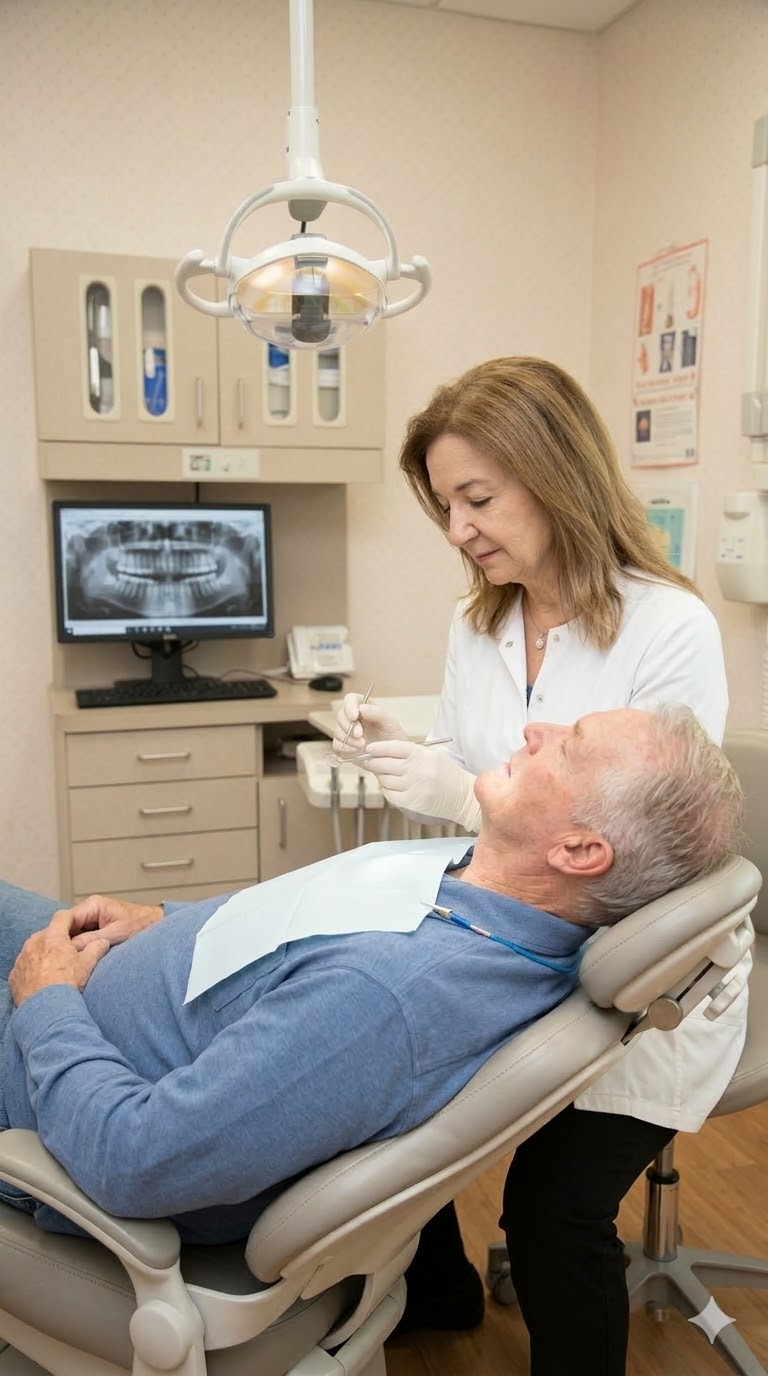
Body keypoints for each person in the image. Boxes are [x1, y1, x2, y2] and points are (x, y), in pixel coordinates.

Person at [332, 356, 744, 1372]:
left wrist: (456, 788)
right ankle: (439, 1288)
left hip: (636, 973)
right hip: (516, 938)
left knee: (551, 1207)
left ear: (555, 471)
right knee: (375, 1080)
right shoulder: (479, 624)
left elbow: (641, 848)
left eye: (478, 496)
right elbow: (498, 781)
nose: (460, 529)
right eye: (444, 505)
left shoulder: (667, 626)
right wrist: (410, 748)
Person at [0, 707, 742, 1250]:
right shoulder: (475, 889)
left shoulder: (388, 1000)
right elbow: (305, 923)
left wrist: (46, 1002)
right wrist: (166, 917)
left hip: (39, 1082)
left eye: (568, 746)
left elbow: (137, 1161)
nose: (534, 728)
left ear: (579, 851)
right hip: (116, 992)